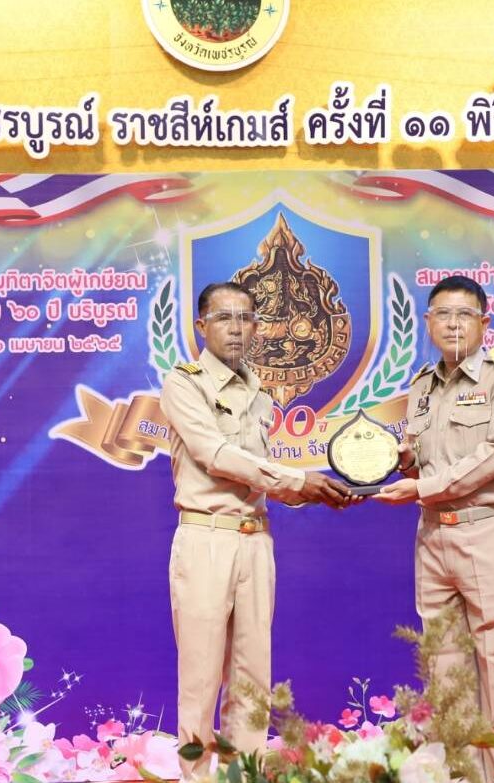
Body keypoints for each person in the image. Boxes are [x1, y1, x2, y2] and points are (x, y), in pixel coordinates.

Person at [159, 281, 355, 778]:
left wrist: (315, 491)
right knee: (201, 677)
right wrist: (298, 480)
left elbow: (259, 474)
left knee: (252, 677)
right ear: (201, 326)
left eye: (246, 318)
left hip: (255, 539)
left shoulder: (259, 393)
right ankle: (196, 777)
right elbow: (215, 455)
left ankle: (242, 773)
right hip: (206, 537)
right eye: (224, 318)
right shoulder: (184, 383)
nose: (236, 328)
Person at [375, 274, 494, 783]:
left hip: (485, 529)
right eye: (442, 314)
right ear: (427, 322)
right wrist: (400, 460)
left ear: (484, 322)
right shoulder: (423, 385)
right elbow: (422, 455)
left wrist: (422, 487)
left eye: (464, 314)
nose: (453, 324)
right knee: (444, 662)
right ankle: (464, 772)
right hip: (433, 535)